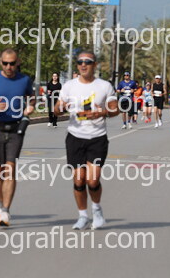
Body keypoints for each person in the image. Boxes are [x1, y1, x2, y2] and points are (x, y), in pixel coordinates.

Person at [54, 51, 119, 230]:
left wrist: (102, 112)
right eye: (80, 62)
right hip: (74, 137)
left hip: (97, 138)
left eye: (88, 62)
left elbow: (115, 109)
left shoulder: (104, 86)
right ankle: (82, 215)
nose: (83, 64)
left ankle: (96, 210)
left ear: (94, 65)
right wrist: (61, 107)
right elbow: (56, 109)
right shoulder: (69, 86)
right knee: (79, 179)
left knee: (92, 180)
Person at [0, 48, 35, 227]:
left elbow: (32, 98)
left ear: (17, 62)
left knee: (10, 169)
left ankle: (5, 210)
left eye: (12, 63)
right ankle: (1, 205)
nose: (9, 67)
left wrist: (30, 107)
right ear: (0, 62)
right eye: (5, 63)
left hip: (15, 129)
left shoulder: (24, 80)